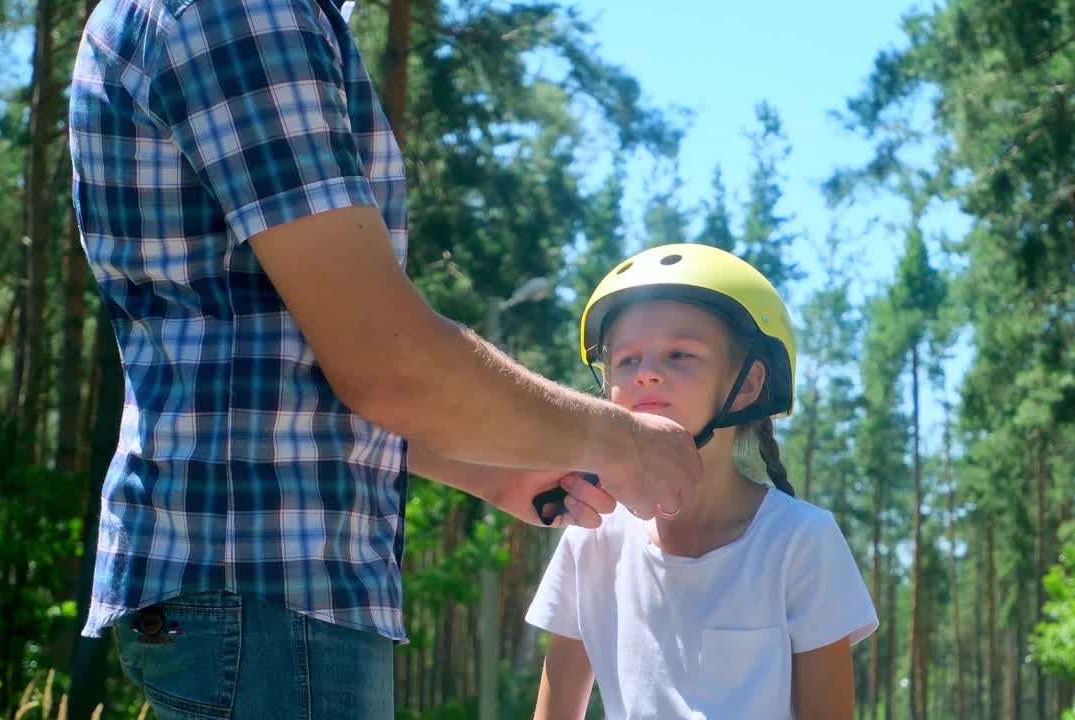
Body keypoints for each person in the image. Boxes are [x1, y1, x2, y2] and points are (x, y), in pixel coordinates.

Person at [68, 0, 699, 716]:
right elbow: (383, 359)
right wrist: (619, 441)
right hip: (268, 590)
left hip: (260, 593)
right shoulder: (246, 11)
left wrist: (487, 470)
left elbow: (282, 366)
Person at [525, 243, 878, 720]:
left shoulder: (801, 542)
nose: (647, 373)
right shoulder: (593, 537)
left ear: (748, 385)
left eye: (679, 354)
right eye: (627, 361)